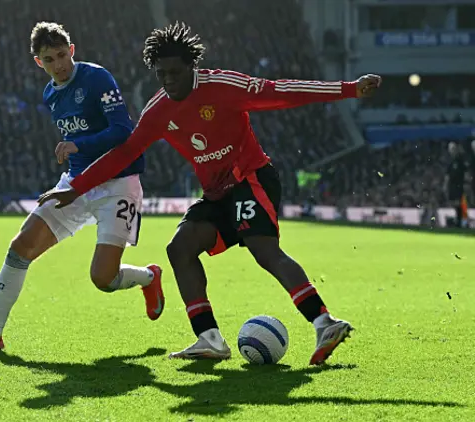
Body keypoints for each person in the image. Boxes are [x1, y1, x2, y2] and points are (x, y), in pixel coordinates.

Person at [41, 22, 381, 365]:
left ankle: (324, 322)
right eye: (161, 74)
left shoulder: (223, 86)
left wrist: (350, 89)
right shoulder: (158, 110)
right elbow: (124, 153)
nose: (168, 81)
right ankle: (209, 338)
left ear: (192, 67)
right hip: (217, 195)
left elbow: (283, 91)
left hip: (251, 178)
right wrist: (77, 188)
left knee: (263, 250)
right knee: (180, 247)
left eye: (175, 72)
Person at [0, 22, 164, 350]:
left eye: (62, 54)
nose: (59, 64)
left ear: (72, 50)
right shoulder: (50, 94)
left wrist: (78, 146)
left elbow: (124, 131)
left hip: (118, 184)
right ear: (39, 63)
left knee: (103, 279)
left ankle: (150, 277)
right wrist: (76, 156)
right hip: (74, 185)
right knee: (20, 246)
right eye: (49, 59)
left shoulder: (97, 78)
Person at [444, 142, 468, 228]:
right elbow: (447, 175)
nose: (452, 150)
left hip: (459, 185)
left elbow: (465, 173)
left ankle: (461, 221)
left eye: (453, 148)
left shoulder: (460, 160)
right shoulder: (449, 161)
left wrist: (465, 183)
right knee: (454, 203)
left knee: (460, 203)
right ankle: (459, 220)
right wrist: (445, 185)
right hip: (452, 186)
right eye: (451, 149)